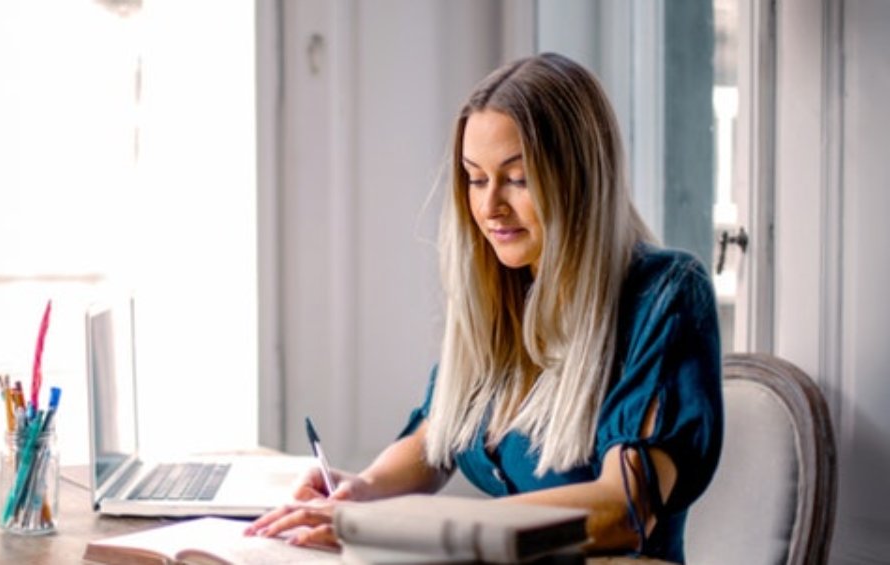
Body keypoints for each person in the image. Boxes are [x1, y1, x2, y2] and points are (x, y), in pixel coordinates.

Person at [246, 52, 722, 563]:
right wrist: (363, 490)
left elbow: (622, 510)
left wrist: (411, 527)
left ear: (581, 181)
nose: (490, 207)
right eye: (475, 178)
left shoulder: (665, 297)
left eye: (517, 179)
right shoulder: (504, 289)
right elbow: (437, 436)